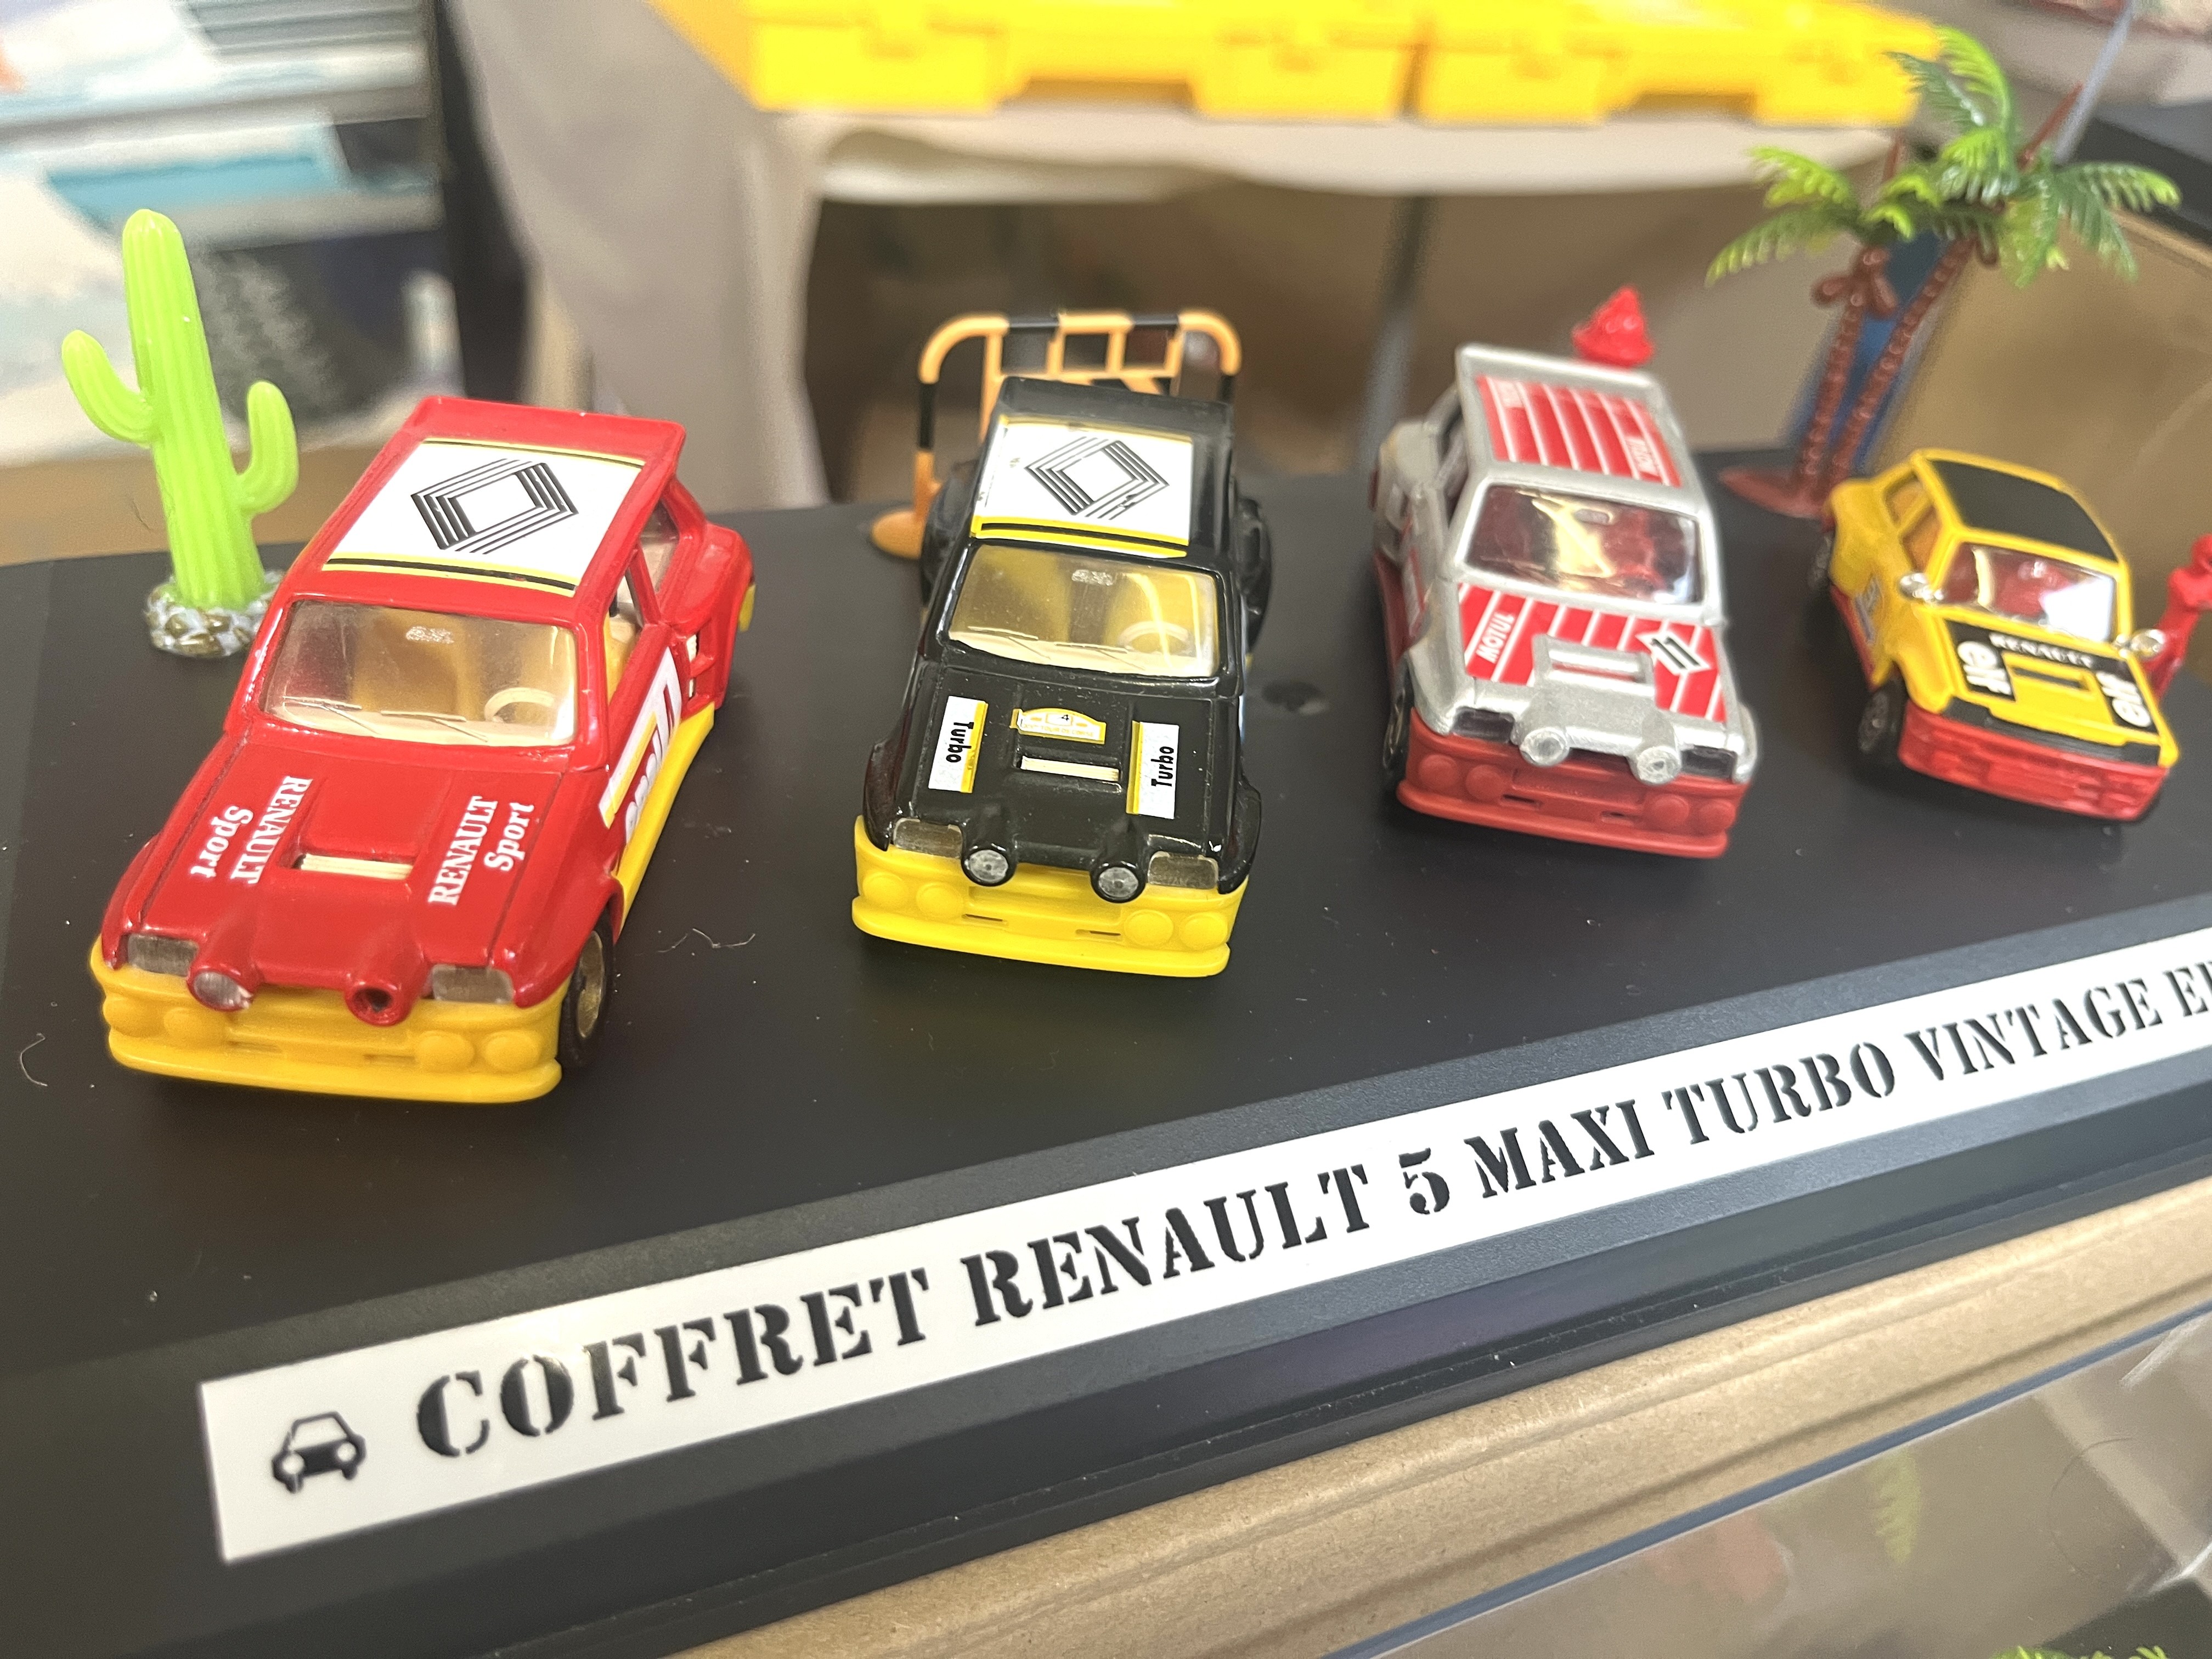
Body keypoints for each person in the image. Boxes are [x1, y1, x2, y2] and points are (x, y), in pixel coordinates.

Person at [2147, 533, 2212, 695]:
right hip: (2167, 631)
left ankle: (2155, 700)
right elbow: (2190, 603)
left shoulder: (2209, 581)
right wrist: (2204, 603)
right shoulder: (2179, 576)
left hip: (2182, 638)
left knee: (2167, 673)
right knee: (2148, 665)